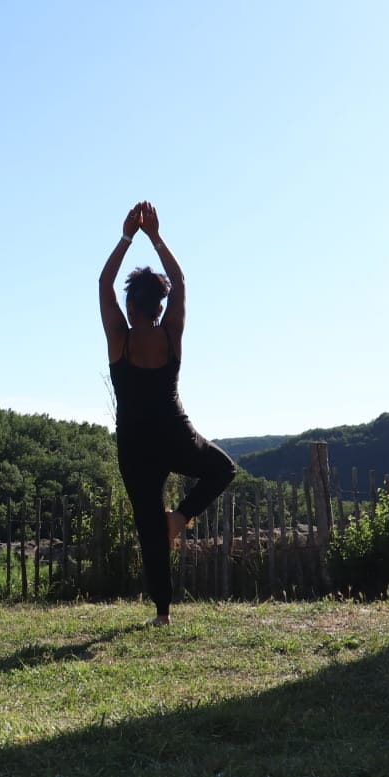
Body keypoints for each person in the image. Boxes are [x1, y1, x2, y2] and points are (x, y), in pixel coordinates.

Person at [99, 201, 236, 626]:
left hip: (135, 443)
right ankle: (178, 519)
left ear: (130, 304)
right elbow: (179, 279)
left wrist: (126, 237)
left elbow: (103, 282)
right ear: (159, 307)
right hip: (175, 433)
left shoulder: (118, 338)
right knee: (222, 470)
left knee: (148, 527)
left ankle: (163, 614)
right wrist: (155, 236)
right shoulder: (170, 334)